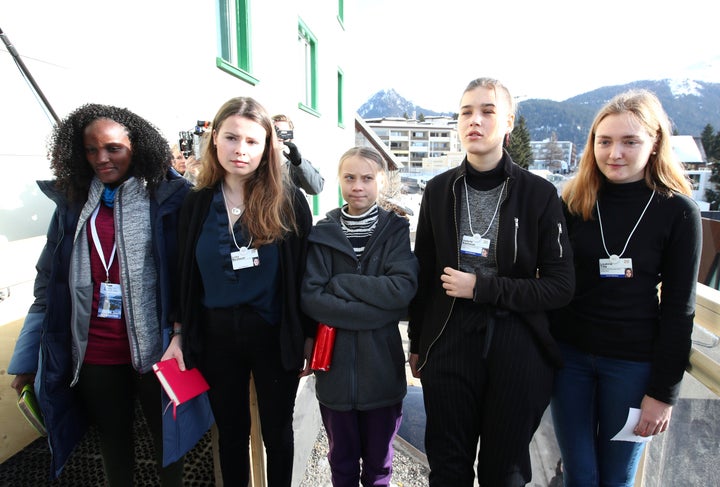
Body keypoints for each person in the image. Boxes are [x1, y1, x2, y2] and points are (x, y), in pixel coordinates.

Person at [7, 103, 213, 485]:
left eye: (112, 148)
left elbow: (192, 277)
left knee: (169, 443)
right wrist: (25, 358)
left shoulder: (171, 199)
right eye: (90, 150)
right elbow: (46, 283)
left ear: (137, 146)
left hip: (158, 352)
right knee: (113, 442)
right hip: (95, 352)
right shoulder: (73, 203)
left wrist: (185, 335)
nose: (101, 158)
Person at [407, 77, 575, 486]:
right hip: (449, 339)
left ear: (509, 123)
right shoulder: (438, 190)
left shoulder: (539, 194)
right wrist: (417, 342)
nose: (474, 121)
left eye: (487, 111)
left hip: (516, 341)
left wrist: (482, 287)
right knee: (448, 467)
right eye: (465, 112)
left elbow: (560, 285)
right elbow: (425, 272)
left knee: (505, 472)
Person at [549, 89, 702, 486]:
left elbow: (679, 310)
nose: (614, 152)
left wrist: (663, 393)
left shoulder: (678, 212)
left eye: (630, 141)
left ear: (654, 144)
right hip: (570, 361)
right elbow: (547, 279)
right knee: (580, 474)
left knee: (616, 478)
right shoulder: (574, 201)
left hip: (633, 367)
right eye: (605, 141)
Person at [163, 96, 314, 486]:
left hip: (273, 334)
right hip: (215, 338)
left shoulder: (288, 202)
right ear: (214, 140)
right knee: (230, 435)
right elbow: (184, 275)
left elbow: (304, 275)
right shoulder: (196, 203)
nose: (240, 150)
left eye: (252, 141)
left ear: (267, 148)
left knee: (277, 434)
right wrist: (179, 333)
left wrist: (309, 334)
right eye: (231, 138)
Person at [301, 146, 419, 486]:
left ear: (381, 181)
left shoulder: (394, 232)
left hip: (382, 374)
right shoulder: (323, 233)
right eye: (349, 177)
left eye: (367, 178)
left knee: (380, 465)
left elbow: (401, 291)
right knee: (341, 461)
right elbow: (312, 299)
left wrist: (340, 283)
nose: (358, 186)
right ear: (338, 181)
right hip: (335, 376)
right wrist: (377, 312)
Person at [272, 113, 325, 194]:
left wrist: (298, 162)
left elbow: (316, 188)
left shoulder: (295, 165)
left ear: (290, 136)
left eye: (284, 133)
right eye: (276, 131)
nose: (279, 136)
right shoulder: (258, 159)